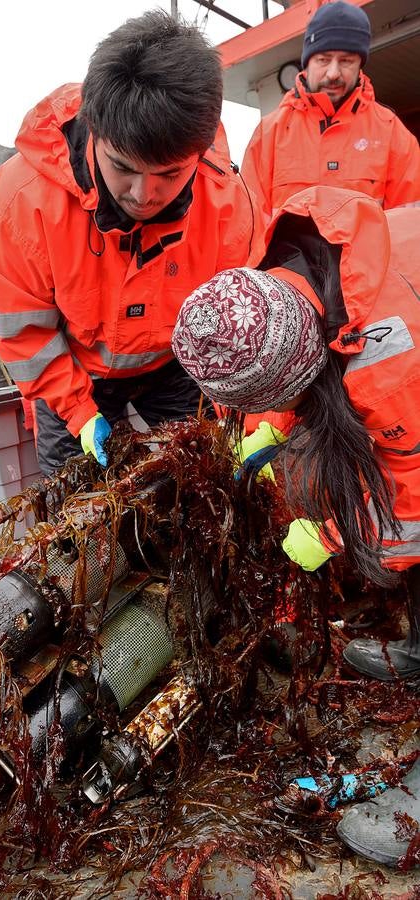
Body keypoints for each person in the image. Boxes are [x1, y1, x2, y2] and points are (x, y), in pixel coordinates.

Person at [171, 185, 420, 867]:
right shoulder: (294, 275)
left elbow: (416, 510)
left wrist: (337, 537)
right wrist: (265, 427)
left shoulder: (388, 358)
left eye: (276, 399)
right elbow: (296, 352)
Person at [0, 11, 260, 475]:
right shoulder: (17, 204)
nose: (143, 195)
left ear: (201, 148)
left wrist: (246, 422)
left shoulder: (228, 203)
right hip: (72, 370)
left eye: (169, 174)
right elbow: (25, 336)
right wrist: (81, 415)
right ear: (95, 128)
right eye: (123, 167)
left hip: (176, 367)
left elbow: (237, 339)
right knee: (72, 520)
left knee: (208, 483)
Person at [242, 1, 420, 223]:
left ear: (360, 65)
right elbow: (247, 229)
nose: (333, 73)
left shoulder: (394, 135)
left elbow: (407, 230)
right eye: (323, 60)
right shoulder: (268, 135)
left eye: (346, 61)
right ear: (307, 63)